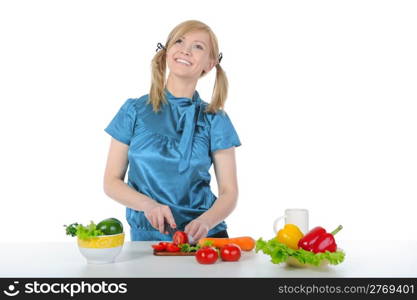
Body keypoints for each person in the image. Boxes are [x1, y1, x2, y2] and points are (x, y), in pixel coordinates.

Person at [103, 20, 241, 242]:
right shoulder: (133, 111)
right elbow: (111, 182)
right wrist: (148, 205)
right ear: (167, 51)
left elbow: (229, 192)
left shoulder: (216, 119)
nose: (185, 50)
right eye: (179, 41)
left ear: (210, 64)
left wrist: (206, 221)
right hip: (148, 240)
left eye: (198, 46)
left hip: (205, 240)